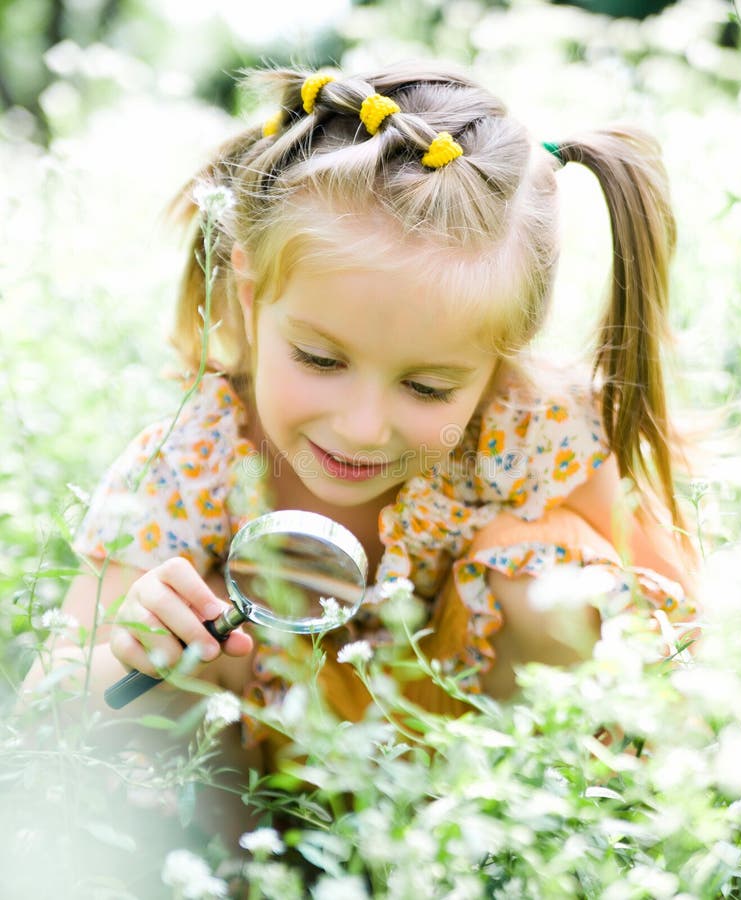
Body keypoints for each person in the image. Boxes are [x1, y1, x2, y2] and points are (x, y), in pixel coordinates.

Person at [22, 62, 698, 759]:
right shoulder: (197, 456)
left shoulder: (530, 430)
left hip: (462, 761)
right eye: (320, 360)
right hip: (272, 794)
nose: (362, 427)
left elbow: (675, 639)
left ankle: (514, 831)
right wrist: (137, 650)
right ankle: (236, 870)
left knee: (556, 586)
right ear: (253, 298)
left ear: (501, 355)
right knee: (191, 638)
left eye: (428, 388)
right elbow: (41, 713)